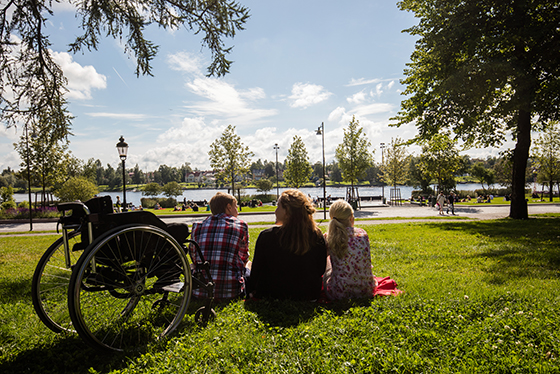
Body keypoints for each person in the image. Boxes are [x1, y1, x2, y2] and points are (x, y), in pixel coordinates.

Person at [246, 189, 327, 301]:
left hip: (271, 293)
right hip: (308, 294)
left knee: (248, 265)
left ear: (287, 211)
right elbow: (320, 269)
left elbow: (256, 273)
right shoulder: (316, 236)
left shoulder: (267, 237)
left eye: (278, 206)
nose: (275, 211)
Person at [190, 192, 249, 301]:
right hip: (231, 291)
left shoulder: (197, 226)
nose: (238, 212)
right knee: (249, 266)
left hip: (199, 291)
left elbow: (194, 258)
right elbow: (244, 258)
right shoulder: (241, 225)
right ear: (229, 207)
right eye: (236, 207)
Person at [323, 200, 375, 301]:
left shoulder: (329, 237)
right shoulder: (363, 234)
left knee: (327, 262)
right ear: (351, 218)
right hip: (366, 290)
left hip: (339, 293)